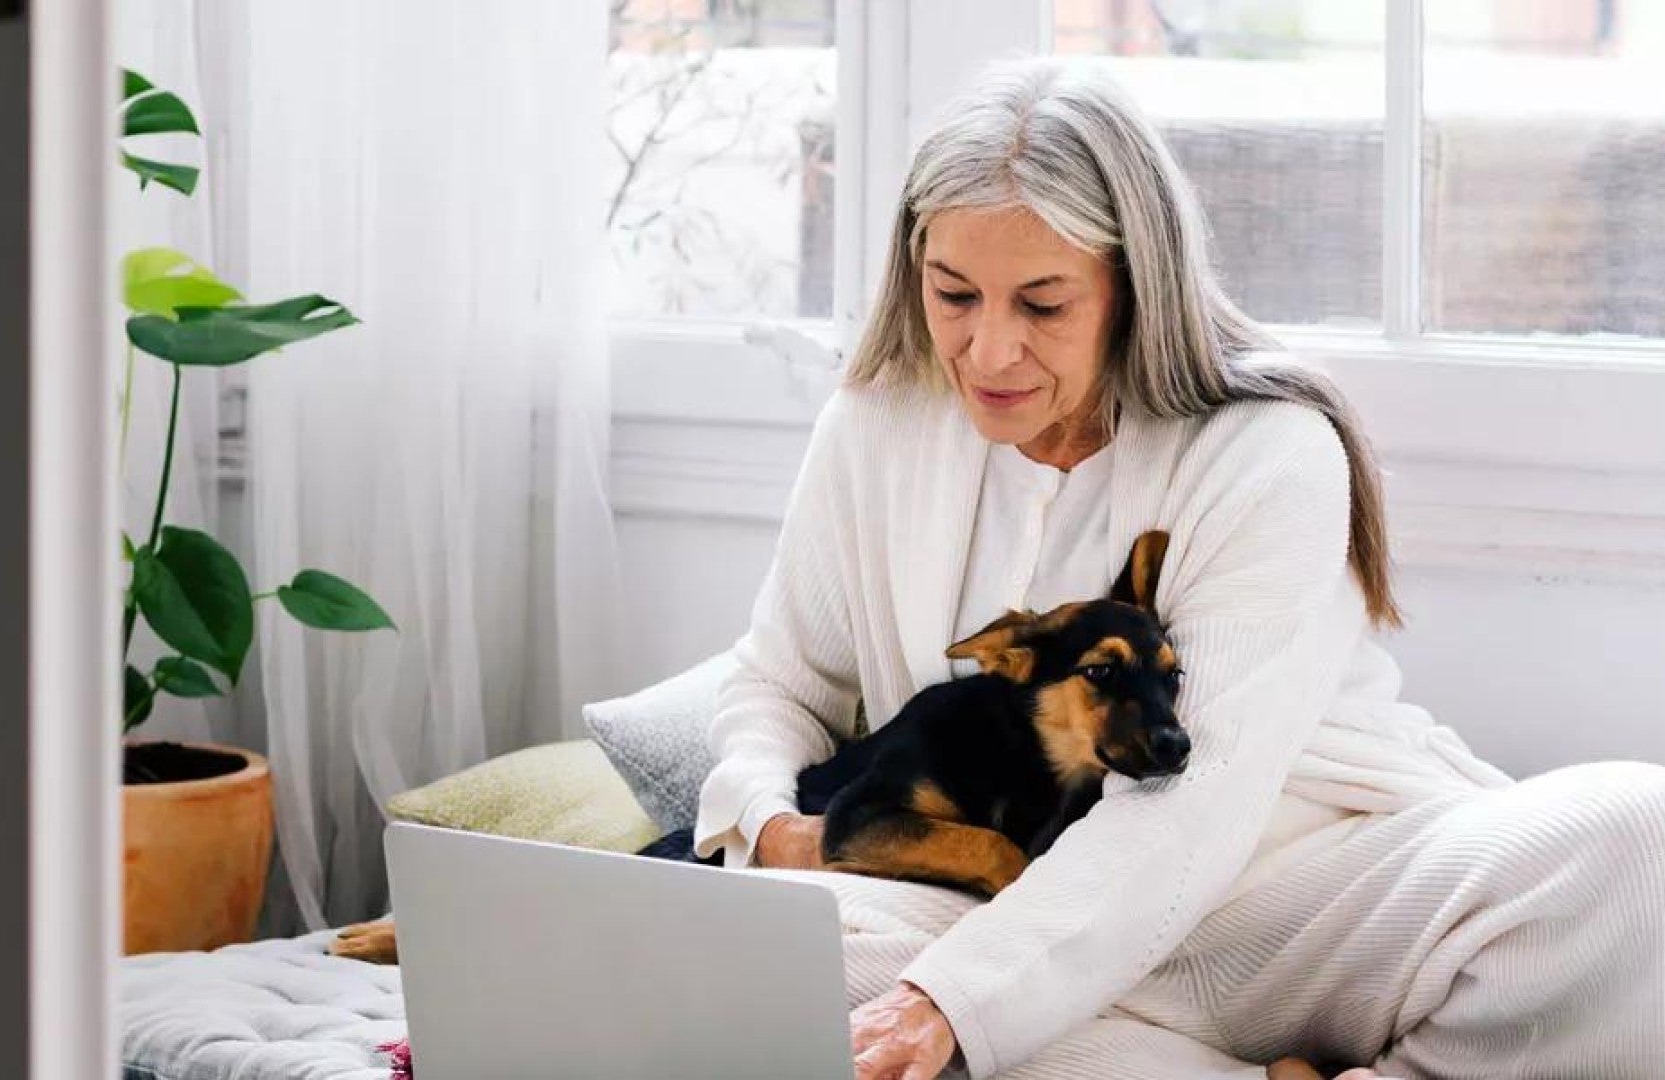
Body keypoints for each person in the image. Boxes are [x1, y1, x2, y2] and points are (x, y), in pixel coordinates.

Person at [690, 57, 1665, 1080]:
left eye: (1043, 305)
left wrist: (952, 1003)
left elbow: (1195, 803)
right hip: (1001, 901)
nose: (987, 350)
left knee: (1641, 847)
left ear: (1132, 284)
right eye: (955, 295)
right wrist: (768, 831)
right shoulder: (878, 421)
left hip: (1298, 897)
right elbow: (781, 683)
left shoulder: (1267, 450)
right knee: (765, 965)